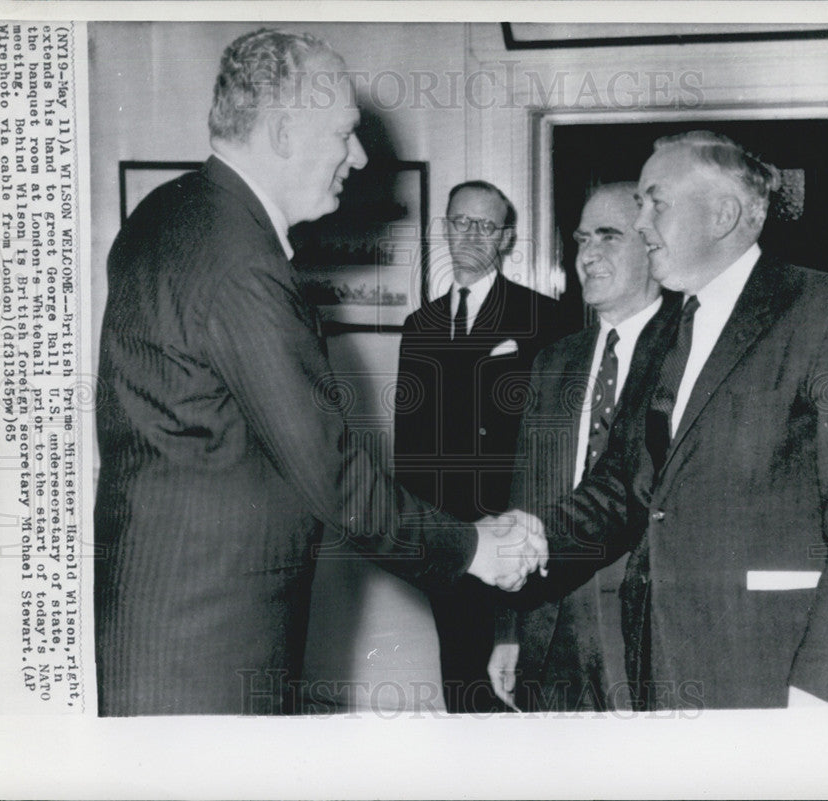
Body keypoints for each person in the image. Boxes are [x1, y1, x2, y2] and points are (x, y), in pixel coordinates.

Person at [93, 29, 545, 716]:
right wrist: (475, 547)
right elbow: (337, 480)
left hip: (169, 629)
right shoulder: (242, 263)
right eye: (343, 134)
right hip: (209, 648)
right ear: (280, 132)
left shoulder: (171, 212)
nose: (358, 157)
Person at [523, 130, 828, 709]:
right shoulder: (666, 331)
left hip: (772, 666)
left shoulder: (825, 311)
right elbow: (625, 484)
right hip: (659, 664)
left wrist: (823, 686)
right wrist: (526, 540)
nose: (642, 220)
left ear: (723, 214)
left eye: (656, 201)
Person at [488, 184, 679, 711]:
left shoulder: (686, 349)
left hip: (643, 618)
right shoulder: (553, 362)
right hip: (552, 618)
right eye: (580, 240)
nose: (588, 255)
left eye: (609, 237)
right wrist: (508, 626)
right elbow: (525, 492)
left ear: (650, 244)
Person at [393, 180, 566, 713]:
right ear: (444, 228)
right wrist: (422, 539)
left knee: (517, 689)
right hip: (449, 539)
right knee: (461, 685)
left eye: (484, 225)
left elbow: (553, 440)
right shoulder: (419, 327)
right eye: (459, 222)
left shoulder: (544, 317)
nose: (469, 234)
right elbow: (409, 444)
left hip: (515, 533)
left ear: (506, 238)